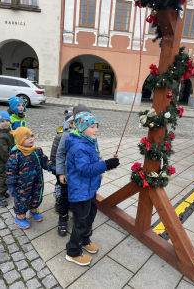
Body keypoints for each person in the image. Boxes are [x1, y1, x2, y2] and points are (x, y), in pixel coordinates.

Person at [65, 112, 120, 266]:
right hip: (80, 191)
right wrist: (106, 165)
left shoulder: (89, 141)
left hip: (89, 189)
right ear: (82, 128)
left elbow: (93, 162)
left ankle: (84, 240)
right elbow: (84, 169)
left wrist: (99, 170)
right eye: (91, 127)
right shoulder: (78, 147)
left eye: (96, 126)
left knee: (90, 215)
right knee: (81, 222)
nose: (96, 130)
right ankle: (73, 252)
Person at [56, 104, 95, 237]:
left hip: (85, 175)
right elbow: (60, 153)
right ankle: (63, 217)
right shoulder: (68, 135)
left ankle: (79, 217)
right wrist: (61, 173)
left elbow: (97, 153)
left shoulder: (91, 135)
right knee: (65, 196)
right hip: (70, 175)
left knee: (82, 198)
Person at [6, 127, 56, 229]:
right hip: (22, 186)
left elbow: (45, 161)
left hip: (37, 182)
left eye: (32, 136)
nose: (31, 139)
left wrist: (54, 168)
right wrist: (11, 185)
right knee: (22, 201)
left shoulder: (37, 151)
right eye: (27, 138)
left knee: (36, 197)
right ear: (20, 140)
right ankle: (20, 217)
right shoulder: (16, 156)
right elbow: (10, 172)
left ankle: (33, 211)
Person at [50, 110, 74, 212]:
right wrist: (57, 169)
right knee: (59, 186)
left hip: (69, 168)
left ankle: (69, 202)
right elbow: (55, 153)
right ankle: (58, 201)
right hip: (59, 168)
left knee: (68, 187)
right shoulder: (61, 135)